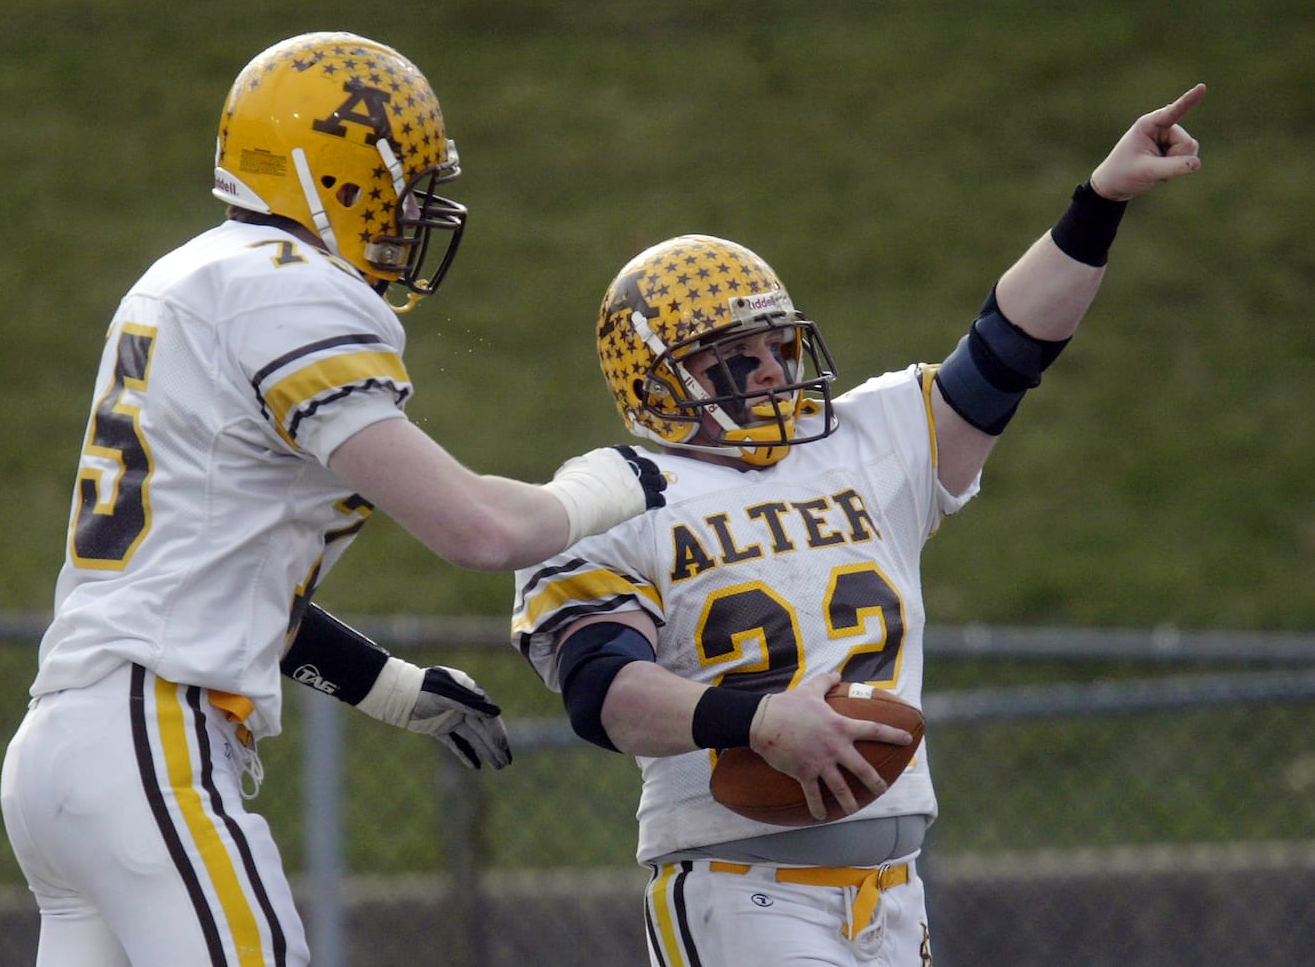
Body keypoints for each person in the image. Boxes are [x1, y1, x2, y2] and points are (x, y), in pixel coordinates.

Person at [0, 31, 665, 967]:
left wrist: (387, 688)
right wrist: (612, 483)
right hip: (150, 741)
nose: (411, 214)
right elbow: (477, 528)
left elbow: (212, 573)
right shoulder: (291, 292)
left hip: (64, 749)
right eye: (402, 185)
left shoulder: (188, 276)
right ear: (337, 173)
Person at [510, 85, 1205, 966]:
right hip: (741, 889)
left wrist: (1100, 201)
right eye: (734, 358)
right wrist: (754, 723)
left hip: (895, 894)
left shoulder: (864, 440)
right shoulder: (614, 492)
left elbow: (1011, 347)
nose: (770, 372)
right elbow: (603, 691)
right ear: (658, 384)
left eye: (776, 347)